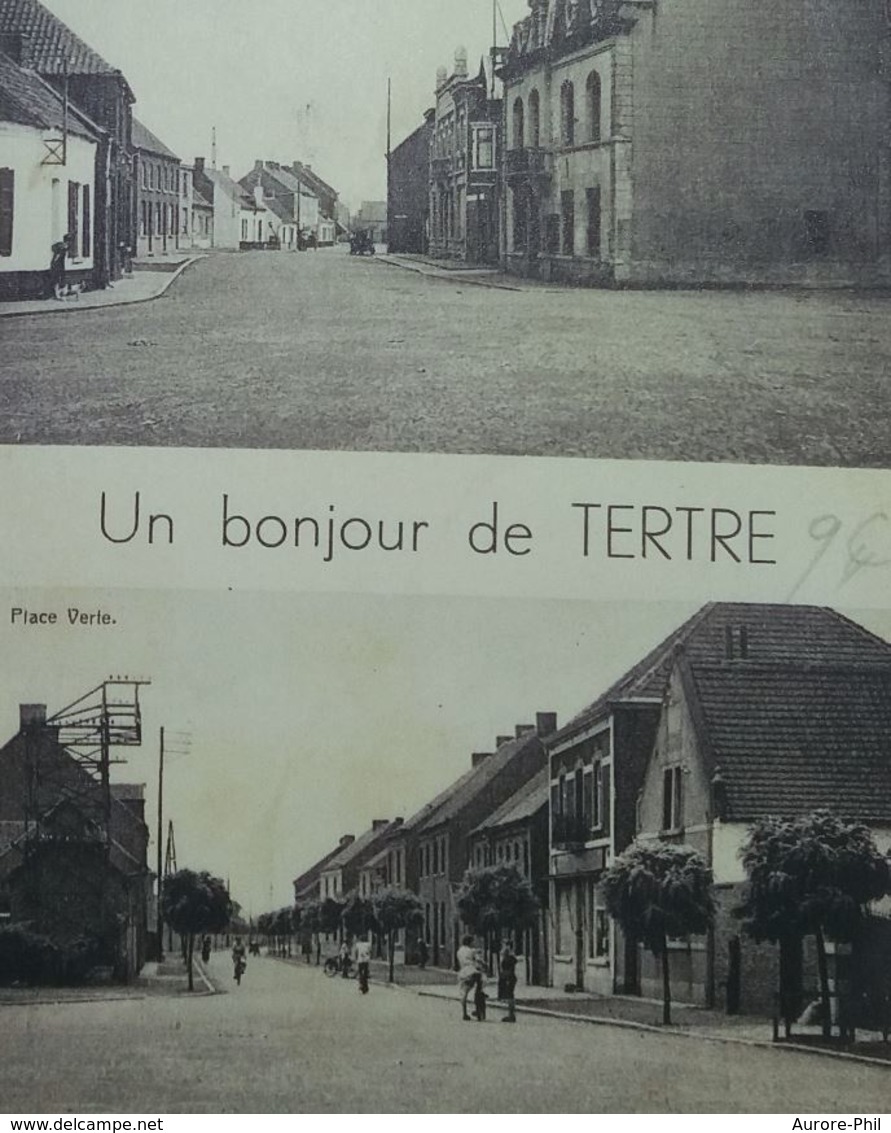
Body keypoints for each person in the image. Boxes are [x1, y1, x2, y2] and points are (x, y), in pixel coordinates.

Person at [456, 935, 485, 1021]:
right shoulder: (472, 950)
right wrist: (484, 964)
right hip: (472, 970)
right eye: (473, 941)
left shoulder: (459, 951)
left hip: (463, 972)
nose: (474, 943)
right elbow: (479, 960)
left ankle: (464, 1013)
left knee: (464, 992)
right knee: (480, 986)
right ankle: (478, 1009)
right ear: (469, 942)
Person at [499, 941, 518, 1023]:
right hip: (508, 976)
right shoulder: (506, 956)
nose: (504, 947)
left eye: (505, 945)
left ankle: (511, 1015)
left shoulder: (509, 957)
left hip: (509, 977)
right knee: (509, 995)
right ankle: (511, 1014)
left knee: (510, 995)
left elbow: (509, 966)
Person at [48, 233, 70, 299]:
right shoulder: (63, 246)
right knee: (57, 279)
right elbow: (58, 255)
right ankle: (57, 294)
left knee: (59, 279)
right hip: (58, 264)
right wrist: (54, 262)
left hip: (60, 264)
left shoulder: (64, 246)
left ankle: (59, 293)